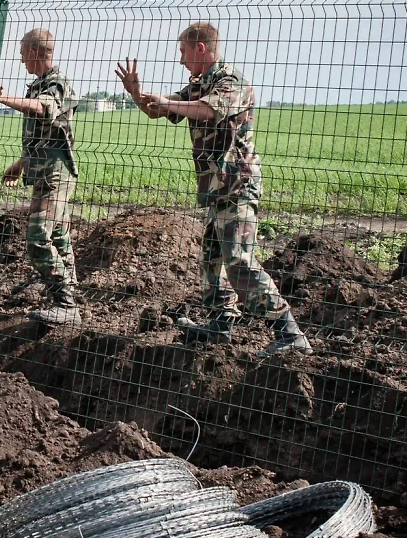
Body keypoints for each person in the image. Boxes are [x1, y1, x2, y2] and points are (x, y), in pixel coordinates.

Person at [116, 22, 312, 356]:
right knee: (212, 260)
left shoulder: (230, 82)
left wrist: (165, 100)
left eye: (182, 52)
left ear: (200, 48)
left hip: (238, 185)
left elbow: (210, 109)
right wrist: (137, 94)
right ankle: (220, 326)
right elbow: (158, 111)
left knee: (238, 260)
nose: (180, 60)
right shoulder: (198, 85)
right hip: (215, 190)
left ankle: (290, 333)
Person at [0, 28, 81, 325]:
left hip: (56, 175)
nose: (20, 60)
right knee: (58, 236)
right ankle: (71, 299)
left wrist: (5, 98)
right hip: (44, 173)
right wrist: (20, 164)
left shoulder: (56, 84)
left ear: (34, 52)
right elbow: (44, 135)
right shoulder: (39, 84)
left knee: (37, 237)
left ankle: (66, 304)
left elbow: (44, 108)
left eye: (22, 53)